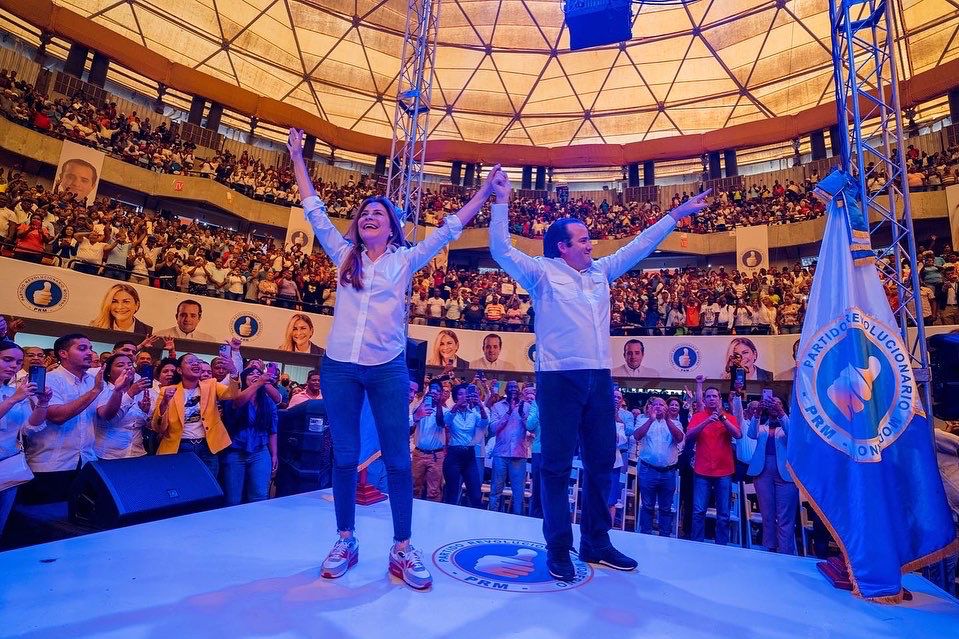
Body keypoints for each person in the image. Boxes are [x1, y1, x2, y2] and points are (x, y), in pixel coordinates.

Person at [288, 127, 495, 589]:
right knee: (344, 458)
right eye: (364, 213)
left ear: (392, 225)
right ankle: (347, 538)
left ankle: (401, 548)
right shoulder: (342, 253)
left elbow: (452, 227)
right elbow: (313, 208)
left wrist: (484, 190)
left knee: (399, 461)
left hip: (387, 369)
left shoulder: (406, 259)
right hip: (339, 366)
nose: (369, 216)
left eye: (378, 213)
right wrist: (298, 158)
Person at [488, 167, 711, 579]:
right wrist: (501, 202)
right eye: (584, 239)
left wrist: (675, 216)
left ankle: (596, 541)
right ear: (562, 247)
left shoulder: (600, 273)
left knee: (602, 461)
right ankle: (558, 547)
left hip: (599, 379)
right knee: (554, 467)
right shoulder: (541, 273)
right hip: (558, 380)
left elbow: (640, 246)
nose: (591, 244)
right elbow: (500, 250)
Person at [21, 334, 103, 503]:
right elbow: (57, 416)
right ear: (63, 353)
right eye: (82, 348)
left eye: (90, 348)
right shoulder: (47, 379)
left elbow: (104, 415)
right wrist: (95, 392)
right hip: (51, 465)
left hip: (86, 462)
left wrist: (121, 392)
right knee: (46, 523)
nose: (89, 353)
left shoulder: (91, 381)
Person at [151, 345, 248, 477]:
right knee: (181, 487)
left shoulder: (211, 385)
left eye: (197, 362)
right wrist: (164, 403)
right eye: (190, 362)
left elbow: (232, 395)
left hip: (207, 447)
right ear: (179, 370)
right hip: (180, 446)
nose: (196, 364)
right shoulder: (167, 391)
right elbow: (157, 427)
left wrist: (233, 372)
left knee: (208, 489)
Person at [0, 340, 52, 534]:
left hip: (8, 465)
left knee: (2, 524)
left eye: (18, 362)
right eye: (7, 360)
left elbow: (29, 427)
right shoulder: (15, 395)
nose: (14, 366)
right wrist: (14, 399)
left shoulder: (13, 391)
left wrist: (43, 404)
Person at [742, 393, 798, 554]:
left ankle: (785, 552)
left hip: (786, 474)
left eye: (778, 403)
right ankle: (770, 550)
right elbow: (751, 434)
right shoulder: (762, 425)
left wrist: (781, 413)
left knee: (784, 517)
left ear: (783, 406)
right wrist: (757, 413)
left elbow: (793, 436)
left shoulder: (789, 423)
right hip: (762, 472)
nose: (774, 405)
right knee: (767, 515)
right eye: (771, 403)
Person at [687, 386, 742, 545]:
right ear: (704, 400)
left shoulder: (729, 417)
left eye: (715, 396)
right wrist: (706, 421)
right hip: (702, 471)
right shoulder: (698, 416)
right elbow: (689, 436)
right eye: (709, 396)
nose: (712, 399)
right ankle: (696, 544)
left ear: (720, 399)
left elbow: (738, 435)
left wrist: (722, 418)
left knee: (723, 514)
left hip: (724, 471)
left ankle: (721, 547)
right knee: (698, 511)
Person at [220, 366, 279, 506]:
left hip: (260, 451)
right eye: (251, 374)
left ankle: (257, 526)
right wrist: (259, 382)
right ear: (243, 379)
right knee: (233, 498)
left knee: (259, 495)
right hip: (235, 451)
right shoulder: (234, 395)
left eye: (258, 373)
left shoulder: (267, 402)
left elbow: (272, 430)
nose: (255, 375)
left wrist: (274, 454)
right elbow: (237, 402)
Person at [633, 396, 684, 536]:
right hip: (648, 470)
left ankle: (665, 538)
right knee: (647, 506)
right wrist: (651, 419)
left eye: (662, 405)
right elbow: (637, 436)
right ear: (650, 407)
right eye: (655, 405)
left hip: (668, 472)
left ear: (666, 408)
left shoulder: (675, 423)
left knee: (666, 508)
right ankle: (645, 537)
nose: (658, 407)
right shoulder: (643, 420)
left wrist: (667, 419)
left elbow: (679, 438)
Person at [94, 353, 154, 459]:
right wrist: (129, 394)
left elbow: (138, 424)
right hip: (109, 455)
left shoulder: (139, 391)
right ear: (108, 372)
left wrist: (144, 411)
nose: (127, 367)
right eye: (120, 365)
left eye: (130, 364)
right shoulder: (103, 390)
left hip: (137, 452)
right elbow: (107, 418)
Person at [442, 383, 488, 508]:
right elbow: (446, 421)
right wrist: (457, 405)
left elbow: (484, 422)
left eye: (466, 394)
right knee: (452, 493)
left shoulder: (473, 413)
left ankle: (474, 522)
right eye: (460, 394)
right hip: (454, 455)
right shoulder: (450, 412)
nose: (464, 396)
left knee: (476, 494)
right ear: (455, 398)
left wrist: (480, 405)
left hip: (469, 454)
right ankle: (448, 521)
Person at [487, 380, 530, 515]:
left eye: (515, 387)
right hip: (501, 454)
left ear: (519, 390)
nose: (513, 389)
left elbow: (531, 428)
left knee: (519, 495)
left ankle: (518, 524)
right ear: (505, 391)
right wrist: (508, 413)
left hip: (519, 454)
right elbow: (493, 428)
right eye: (510, 387)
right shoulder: (497, 407)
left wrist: (523, 416)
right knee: (495, 492)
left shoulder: (527, 407)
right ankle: (492, 520)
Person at [411, 383, 447, 502]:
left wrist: (439, 403)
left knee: (434, 491)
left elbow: (441, 423)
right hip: (419, 454)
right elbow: (413, 421)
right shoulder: (419, 406)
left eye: (438, 391)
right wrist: (424, 400)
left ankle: (433, 517)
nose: (434, 392)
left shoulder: (445, 410)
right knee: (414, 488)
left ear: (441, 394)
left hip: (435, 455)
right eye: (432, 390)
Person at [89, 284, 153, 334]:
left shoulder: (147, 332)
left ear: (136, 305)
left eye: (126, 302)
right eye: (114, 301)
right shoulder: (96, 327)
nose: (120, 307)